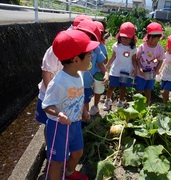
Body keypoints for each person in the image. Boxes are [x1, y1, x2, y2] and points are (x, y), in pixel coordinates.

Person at [42, 30, 99, 180]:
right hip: (59, 127)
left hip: (74, 123)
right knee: (57, 161)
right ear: (75, 60)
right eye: (88, 55)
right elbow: (47, 105)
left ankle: (69, 173)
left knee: (77, 152)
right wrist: (58, 113)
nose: (91, 56)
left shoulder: (79, 74)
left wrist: (84, 110)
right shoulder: (58, 82)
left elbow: (79, 96)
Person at [75, 19, 108, 115]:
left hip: (87, 83)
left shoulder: (96, 48)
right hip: (75, 84)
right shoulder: (76, 47)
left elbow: (101, 63)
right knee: (75, 101)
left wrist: (106, 73)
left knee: (85, 101)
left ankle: (84, 120)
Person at [103, 22, 137, 110]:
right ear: (119, 36)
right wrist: (107, 67)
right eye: (123, 37)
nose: (125, 39)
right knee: (111, 86)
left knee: (123, 87)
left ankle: (121, 101)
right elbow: (113, 57)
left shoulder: (133, 48)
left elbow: (134, 60)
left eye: (128, 38)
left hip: (126, 71)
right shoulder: (116, 46)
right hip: (115, 70)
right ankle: (108, 100)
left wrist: (136, 69)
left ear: (132, 38)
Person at [134, 22, 165, 105]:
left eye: (156, 40)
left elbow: (160, 60)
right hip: (141, 73)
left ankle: (147, 103)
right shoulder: (142, 47)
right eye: (152, 39)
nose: (154, 42)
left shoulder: (160, 49)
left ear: (159, 38)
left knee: (148, 89)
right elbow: (137, 58)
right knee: (139, 89)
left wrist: (156, 71)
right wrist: (139, 67)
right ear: (148, 37)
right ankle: (137, 104)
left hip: (151, 73)